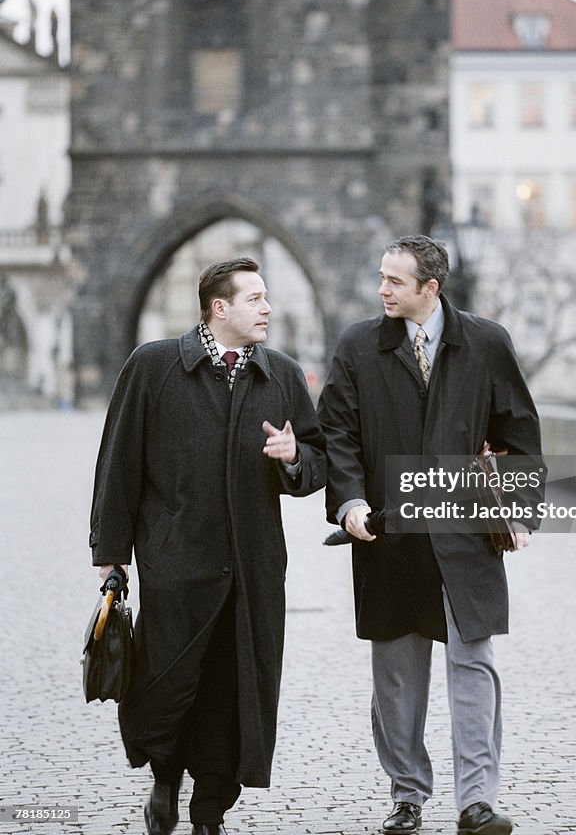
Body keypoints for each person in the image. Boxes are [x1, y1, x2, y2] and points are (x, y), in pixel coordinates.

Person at [89, 257, 326, 835]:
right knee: (166, 684)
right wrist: (110, 552)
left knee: (234, 691)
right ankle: (166, 777)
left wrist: (294, 458)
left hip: (253, 569)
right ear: (219, 308)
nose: (267, 308)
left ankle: (209, 813)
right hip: (174, 563)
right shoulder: (152, 367)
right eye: (255, 299)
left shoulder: (284, 376)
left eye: (267, 298)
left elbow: (319, 464)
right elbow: (118, 462)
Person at [318, 235, 544, 835]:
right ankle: (408, 795)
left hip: (465, 530)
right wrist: (350, 504)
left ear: (430, 288)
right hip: (386, 532)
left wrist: (520, 508)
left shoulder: (486, 343)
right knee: (397, 671)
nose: (382, 289)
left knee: (473, 662)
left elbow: (519, 428)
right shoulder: (358, 346)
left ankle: (477, 800)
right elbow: (336, 432)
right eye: (381, 278)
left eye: (395, 280)